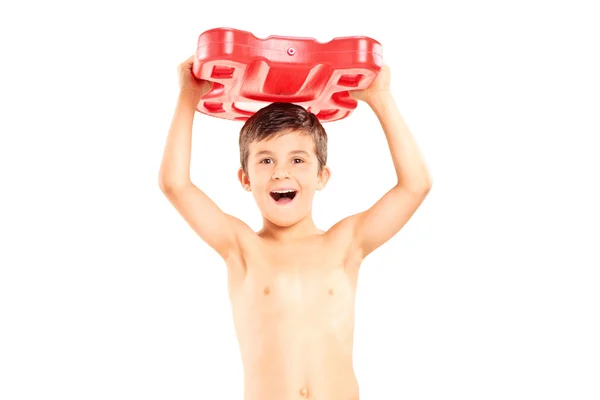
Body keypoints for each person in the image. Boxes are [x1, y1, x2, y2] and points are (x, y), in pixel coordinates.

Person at [158, 54, 432, 400]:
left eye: (298, 160)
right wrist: (188, 96)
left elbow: (415, 185)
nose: (281, 172)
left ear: (322, 176)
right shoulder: (242, 248)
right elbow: (175, 184)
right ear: (245, 178)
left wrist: (381, 96)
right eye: (266, 160)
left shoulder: (345, 243)